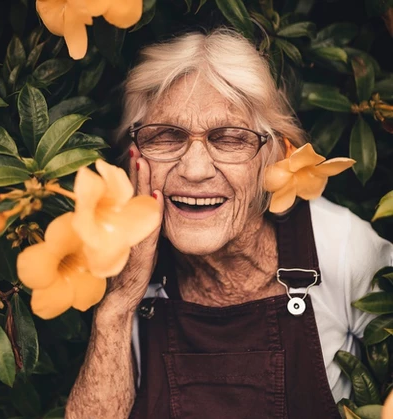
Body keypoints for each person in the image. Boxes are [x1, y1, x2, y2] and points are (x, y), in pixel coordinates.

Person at [65, 29, 393, 419]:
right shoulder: (128, 260)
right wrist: (119, 305)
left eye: (230, 139)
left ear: (269, 156)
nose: (195, 170)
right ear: (136, 157)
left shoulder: (339, 247)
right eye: (167, 136)